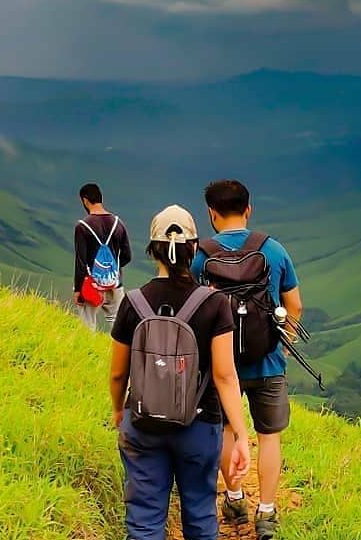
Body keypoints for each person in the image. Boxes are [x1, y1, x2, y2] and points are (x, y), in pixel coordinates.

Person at [109, 205, 251, 540]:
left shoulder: (133, 302)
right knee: (201, 515)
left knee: (144, 520)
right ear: (193, 249)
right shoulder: (215, 304)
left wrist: (119, 409)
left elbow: (118, 373)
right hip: (199, 426)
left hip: (142, 422)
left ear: (153, 249)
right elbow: (225, 376)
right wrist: (242, 435)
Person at [192, 180, 302, 539]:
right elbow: (294, 305)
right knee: (268, 436)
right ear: (249, 209)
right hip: (268, 361)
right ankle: (267, 513)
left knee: (226, 429)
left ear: (211, 213)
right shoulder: (273, 250)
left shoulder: (200, 257)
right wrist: (283, 342)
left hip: (221, 367)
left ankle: (235, 498)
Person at [74, 183, 132, 330]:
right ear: (101, 198)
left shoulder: (82, 226)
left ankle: (88, 353)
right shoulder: (119, 224)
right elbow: (127, 256)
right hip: (115, 283)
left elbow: (81, 262)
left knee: (87, 327)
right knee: (118, 328)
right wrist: (110, 270)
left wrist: (78, 290)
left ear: (85, 200)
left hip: (91, 285)